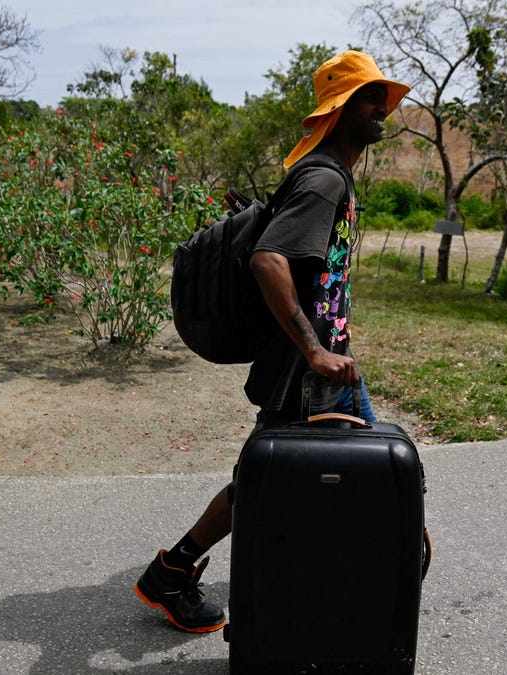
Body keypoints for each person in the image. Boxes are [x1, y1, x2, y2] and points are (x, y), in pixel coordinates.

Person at [133, 50, 410, 633]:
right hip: (307, 374)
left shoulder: (327, 171)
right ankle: (186, 575)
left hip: (330, 367)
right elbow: (268, 260)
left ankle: (315, 579)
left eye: (383, 96)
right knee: (279, 480)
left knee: (309, 477)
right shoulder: (323, 178)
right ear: (339, 112)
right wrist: (314, 351)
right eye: (369, 97)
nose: (382, 106)